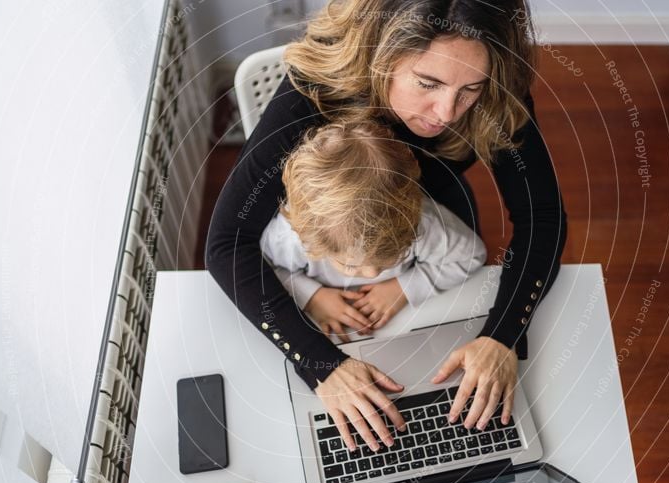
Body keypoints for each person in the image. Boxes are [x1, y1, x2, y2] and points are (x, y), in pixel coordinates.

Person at [206, 0, 567, 453]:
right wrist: (320, 365)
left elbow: (542, 217)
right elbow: (226, 243)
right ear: (382, 54)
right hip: (330, 227)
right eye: (427, 83)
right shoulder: (315, 89)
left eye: (471, 88)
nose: (448, 113)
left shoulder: (494, 87)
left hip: (437, 221)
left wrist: (502, 336)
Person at [260, 121, 487, 351]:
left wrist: (404, 288)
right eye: (350, 265)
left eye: (392, 257)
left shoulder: (421, 222)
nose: (372, 273)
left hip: (408, 323)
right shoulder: (293, 239)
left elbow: (471, 256)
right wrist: (311, 297)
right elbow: (261, 268)